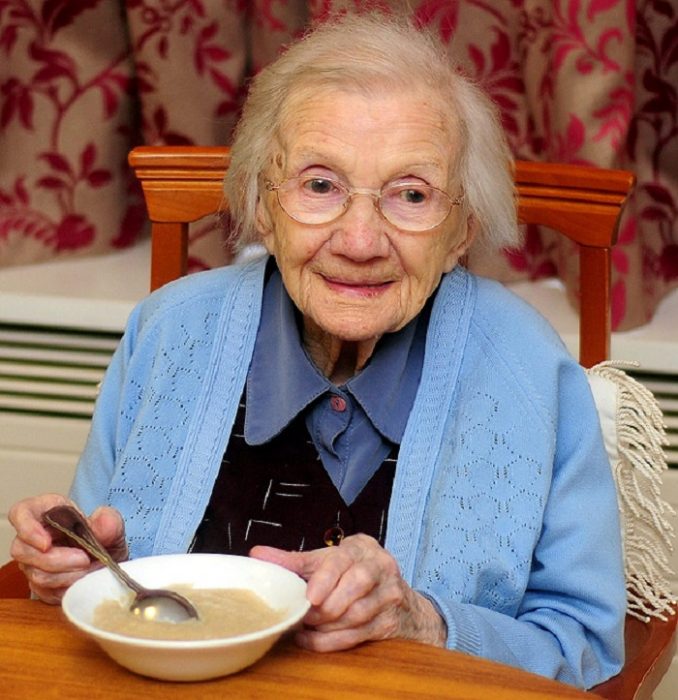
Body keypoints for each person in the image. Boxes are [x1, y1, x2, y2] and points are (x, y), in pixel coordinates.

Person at [8, 12, 625, 689]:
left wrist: (423, 623)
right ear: (263, 207)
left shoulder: (527, 367)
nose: (359, 241)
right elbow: (88, 578)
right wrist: (92, 570)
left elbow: (586, 647)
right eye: (320, 186)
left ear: (460, 232)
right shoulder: (168, 331)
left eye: (411, 194)